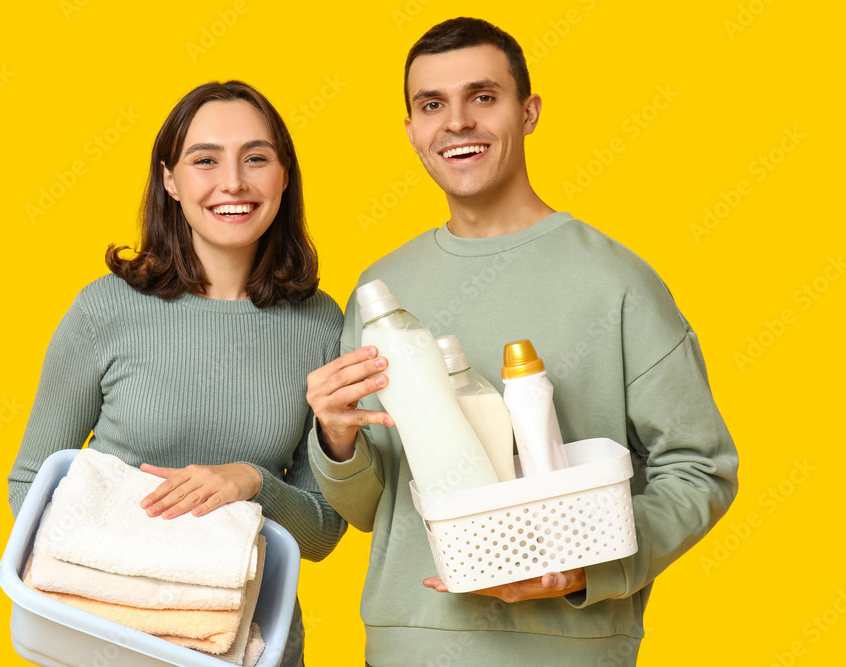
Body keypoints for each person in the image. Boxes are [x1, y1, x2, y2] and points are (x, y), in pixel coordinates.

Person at [305, 17, 738, 666]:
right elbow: (371, 508)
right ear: (412, 130)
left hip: (565, 649)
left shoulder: (615, 281)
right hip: (407, 647)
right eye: (432, 105)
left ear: (528, 111)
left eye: (482, 96)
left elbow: (702, 466)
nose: (456, 122)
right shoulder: (382, 288)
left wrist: (591, 568)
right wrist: (336, 440)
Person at [8, 80, 346, 667]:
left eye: (257, 158)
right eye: (205, 159)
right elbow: (31, 484)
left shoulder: (320, 323)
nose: (233, 182)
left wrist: (253, 482)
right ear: (170, 179)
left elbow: (322, 531)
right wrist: (144, 592)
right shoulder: (106, 308)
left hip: (246, 649)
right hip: (101, 640)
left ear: (284, 176)